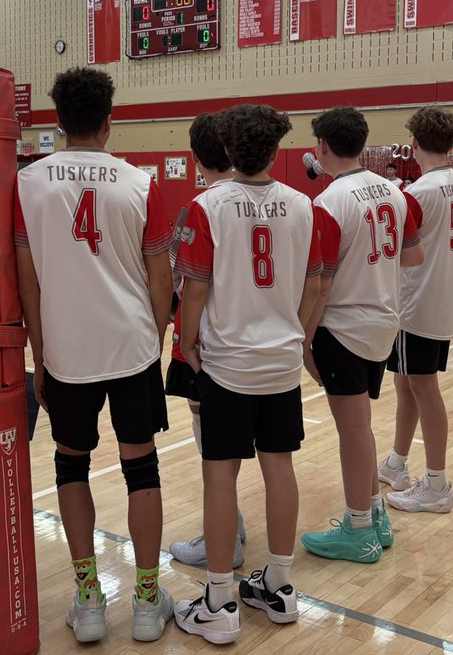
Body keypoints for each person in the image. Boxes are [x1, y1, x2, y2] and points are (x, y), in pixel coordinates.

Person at [13, 67, 175, 644]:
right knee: (142, 468)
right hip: (131, 345)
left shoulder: (27, 183)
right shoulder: (139, 184)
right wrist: (155, 338)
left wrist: (39, 353)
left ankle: (88, 600)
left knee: (70, 465)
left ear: (58, 122)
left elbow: (27, 281)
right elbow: (161, 276)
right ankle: (147, 601)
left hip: (66, 350)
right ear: (109, 121)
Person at [173, 104, 322, 645]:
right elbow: (314, 284)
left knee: (221, 474)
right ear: (276, 150)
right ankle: (278, 586)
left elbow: (194, 287)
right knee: (279, 466)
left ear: (227, 150)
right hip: (280, 361)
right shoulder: (303, 205)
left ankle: (218, 601)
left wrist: (186, 340)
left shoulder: (206, 206)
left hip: (227, 362)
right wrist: (297, 334)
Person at [300, 107, 424, 564]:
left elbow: (322, 284)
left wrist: (304, 341)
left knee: (352, 430)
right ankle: (375, 516)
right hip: (383, 322)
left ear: (322, 147)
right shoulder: (393, 191)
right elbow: (414, 256)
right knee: (361, 427)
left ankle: (357, 531)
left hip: (343, 327)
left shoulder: (329, 202)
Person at [378, 107, 453, 514]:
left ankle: (436, 484)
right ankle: (397, 463)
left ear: (413, 143)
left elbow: (398, 251)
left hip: (415, 304)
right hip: (440, 300)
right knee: (407, 383)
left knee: (424, 388)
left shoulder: (419, 193)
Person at [167, 112, 243, 568]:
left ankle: (224, 538)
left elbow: (181, 281)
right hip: (261, 343)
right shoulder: (277, 200)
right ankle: (232, 526)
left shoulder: (199, 208)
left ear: (195, 157)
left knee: (211, 442)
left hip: (209, 341)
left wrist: (186, 340)